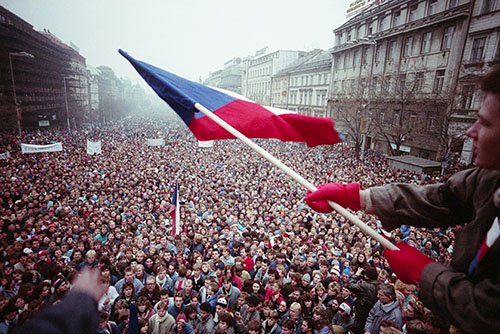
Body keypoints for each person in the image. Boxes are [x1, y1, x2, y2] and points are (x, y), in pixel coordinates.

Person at [305, 66, 500, 333]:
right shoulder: (490, 177)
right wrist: (359, 198)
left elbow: (489, 312)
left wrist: (424, 272)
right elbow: (442, 198)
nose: (471, 131)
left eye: (486, 123)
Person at [16, 267, 106, 334]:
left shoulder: (68, 293)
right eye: (62, 285)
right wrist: (82, 298)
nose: (65, 286)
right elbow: (51, 326)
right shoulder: (54, 300)